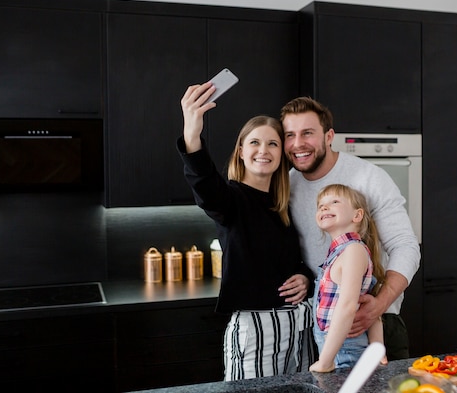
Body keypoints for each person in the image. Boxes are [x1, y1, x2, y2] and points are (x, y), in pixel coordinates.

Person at [177, 82, 315, 381]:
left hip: (299, 328)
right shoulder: (231, 200)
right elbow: (204, 185)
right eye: (254, 143)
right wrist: (192, 132)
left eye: (273, 144)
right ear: (240, 152)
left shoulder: (283, 205)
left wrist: (305, 276)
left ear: (282, 155)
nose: (263, 150)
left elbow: (292, 260)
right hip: (256, 332)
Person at [280, 97, 421, 361]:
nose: (298, 144)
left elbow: (406, 246)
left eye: (308, 133)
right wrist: (303, 276)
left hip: (374, 323)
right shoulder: (287, 186)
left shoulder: (369, 177)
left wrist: (379, 304)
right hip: (322, 326)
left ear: (329, 136)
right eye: (290, 135)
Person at [309, 184, 387, 372]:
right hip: (337, 353)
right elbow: (368, 307)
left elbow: (348, 307)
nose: (324, 207)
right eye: (320, 205)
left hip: (347, 355)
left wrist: (325, 362)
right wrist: (379, 349)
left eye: (334, 202)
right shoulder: (338, 253)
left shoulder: (353, 250)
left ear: (357, 215)